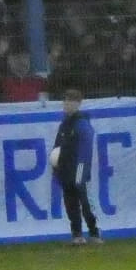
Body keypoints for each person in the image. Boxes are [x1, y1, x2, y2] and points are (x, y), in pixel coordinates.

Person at [52, 88, 101, 246]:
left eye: (71, 101)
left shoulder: (81, 124)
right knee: (70, 203)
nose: (67, 104)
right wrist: (57, 167)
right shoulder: (64, 125)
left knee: (86, 202)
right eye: (65, 100)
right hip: (66, 170)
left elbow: (85, 151)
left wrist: (81, 173)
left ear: (78, 104)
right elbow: (57, 147)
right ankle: (77, 234)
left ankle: (94, 232)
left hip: (79, 170)